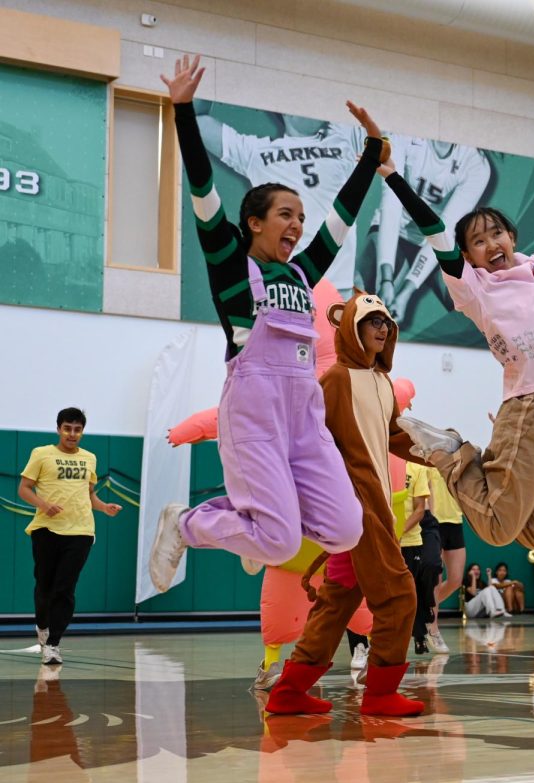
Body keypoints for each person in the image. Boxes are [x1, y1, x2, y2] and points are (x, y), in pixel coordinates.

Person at [149, 55, 387, 590]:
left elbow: (343, 217)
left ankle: (252, 525)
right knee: (280, 542)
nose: (298, 225)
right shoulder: (232, 266)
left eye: (301, 217)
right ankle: (188, 523)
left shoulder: (302, 274)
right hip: (254, 411)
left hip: (303, 412)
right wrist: (184, 111)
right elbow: (203, 191)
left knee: (346, 529)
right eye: (286, 214)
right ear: (254, 222)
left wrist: (372, 153)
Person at [378, 150, 534, 553]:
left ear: (512, 237)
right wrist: (395, 176)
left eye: (497, 233)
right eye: (478, 241)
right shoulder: (473, 288)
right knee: (499, 528)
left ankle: (469, 461)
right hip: (530, 402)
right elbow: (435, 230)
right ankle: (452, 454)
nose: (491, 243)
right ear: (468, 256)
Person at [265, 293, 423, 718]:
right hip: (355, 506)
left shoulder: (383, 383)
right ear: (351, 327)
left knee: (336, 602)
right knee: (399, 596)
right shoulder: (335, 379)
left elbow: (393, 437)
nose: (382, 329)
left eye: (386, 323)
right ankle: (379, 693)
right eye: (372, 322)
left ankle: (289, 692)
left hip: (374, 508)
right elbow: (304, 436)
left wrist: (444, 452)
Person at [192, 104, 377, 296]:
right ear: (286, 109)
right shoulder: (256, 152)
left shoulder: (343, 139)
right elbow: (196, 118)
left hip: (341, 288)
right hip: (294, 288)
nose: (319, 106)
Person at [17, 408, 122, 666]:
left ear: (82, 431)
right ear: (58, 429)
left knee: (65, 588)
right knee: (45, 586)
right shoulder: (42, 454)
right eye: (67, 428)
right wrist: (44, 505)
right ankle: (42, 625)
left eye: (77, 429)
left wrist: (103, 506)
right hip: (47, 529)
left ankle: (53, 645)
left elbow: (89, 494)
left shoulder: (89, 458)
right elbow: (24, 488)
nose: (72, 434)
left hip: (81, 531)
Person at [368, 137, 492, 324]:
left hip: (433, 242)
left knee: (464, 304)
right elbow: (391, 205)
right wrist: (385, 278)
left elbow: (445, 232)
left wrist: (405, 293)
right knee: (361, 287)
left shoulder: (477, 164)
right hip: (397, 228)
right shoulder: (401, 137)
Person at [398, 463, 439, 655]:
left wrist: (397, 532)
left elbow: (420, 509)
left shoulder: (417, 468)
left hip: (411, 537)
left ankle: (420, 631)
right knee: (399, 592)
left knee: (420, 580)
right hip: (388, 538)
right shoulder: (383, 461)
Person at [427, 465, 464, 653]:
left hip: (455, 521)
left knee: (456, 579)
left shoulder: (455, 462)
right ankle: (433, 629)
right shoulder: (426, 462)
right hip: (435, 522)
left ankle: (424, 611)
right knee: (436, 580)